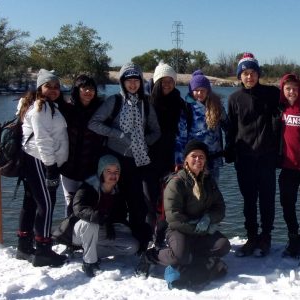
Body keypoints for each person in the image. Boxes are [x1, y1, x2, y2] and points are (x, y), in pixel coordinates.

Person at [88, 63, 160, 256]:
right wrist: (117, 134)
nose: (133, 84)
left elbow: (156, 131)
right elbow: (94, 123)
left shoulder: (145, 105)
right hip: (115, 158)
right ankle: (112, 240)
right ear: (122, 82)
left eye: (136, 80)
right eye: (129, 81)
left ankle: (140, 241)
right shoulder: (114, 101)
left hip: (138, 160)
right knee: (115, 201)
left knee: (138, 202)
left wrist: (145, 141)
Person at [145, 140, 230, 290]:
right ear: (186, 159)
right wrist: (196, 228)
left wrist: (209, 218)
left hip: (201, 228)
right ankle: (153, 255)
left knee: (223, 246)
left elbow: (220, 207)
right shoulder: (177, 182)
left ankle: (193, 257)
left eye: (202, 157)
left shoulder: (208, 181)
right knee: (180, 256)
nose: (198, 160)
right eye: (194, 156)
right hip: (178, 229)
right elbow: (174, 217)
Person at [225, 52, 281, 257]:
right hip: (245, 158)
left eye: (253, 73)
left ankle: (266, 236)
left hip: (267, 158)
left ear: (258, 74)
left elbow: (293, 98)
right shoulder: (234, 99)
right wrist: (230, 151)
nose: (249, 77)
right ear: (240, 76)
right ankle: (251, 236)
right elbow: (230, 129)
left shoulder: (271, 94)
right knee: (249, 201)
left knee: (267, 200)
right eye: (245, 73)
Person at [15, 69, 69, 267]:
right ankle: (44, 249)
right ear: (40, 88)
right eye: (49, 86)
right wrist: (51, 167)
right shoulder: (41, 107)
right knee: (46, 205)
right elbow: (42, 139)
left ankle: (24, 245)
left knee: (31, 202)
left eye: (56, 87)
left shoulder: (45, 106)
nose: (53, 90)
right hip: (39, 160)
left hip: (34, 159)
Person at [53, 155, 139, 277]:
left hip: (101, 230)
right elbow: (78, 208)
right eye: (108, 171)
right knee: (90, 224)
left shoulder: (118, 190)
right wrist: (99, 217)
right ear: (101, 172)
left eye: (116, 172)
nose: (113, 175)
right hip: (79, 231)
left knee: (132, 246)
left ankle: (90, 250)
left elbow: (121, 214)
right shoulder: (88, 186)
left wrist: (112, 224)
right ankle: (89, 262)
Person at [57, 75, 105, 217]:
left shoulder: (101, 110)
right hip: (68, 167)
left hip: (91, 168)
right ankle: (67, 235)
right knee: (70, 202)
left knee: (88, 203)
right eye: (84, 88)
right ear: (77, 90)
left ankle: (85, 236)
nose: (88, 92)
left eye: (91, 89)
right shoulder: (67, 108)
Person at [146, 61, 184, 242]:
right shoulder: (147, 102)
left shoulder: (180, 102)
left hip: (171, 158)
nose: (167, 84)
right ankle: (148, 237)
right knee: (149, 199)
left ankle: (165, 235)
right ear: (156, 81)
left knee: (167, 199)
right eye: (163, 80)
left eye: (170, 80)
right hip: (148, 158)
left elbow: (185, 131)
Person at [276, 73, 300, 258]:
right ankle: (293, 236)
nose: (292, 92)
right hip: (287, 166)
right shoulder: (279, 108)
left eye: (295, 88)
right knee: (287, 203)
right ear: (283, 90)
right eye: (288, 88)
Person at [175, 70, 228, 180]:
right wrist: (179, 161)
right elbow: (181, 137)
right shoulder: (186, 109)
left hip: (213, 160)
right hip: (194, 160)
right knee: (194, 193)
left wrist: (230, 147)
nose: (199, 93)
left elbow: (228, 128)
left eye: (202, 90)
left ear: (208, 90)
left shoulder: (217, 107)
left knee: (212, 193)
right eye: (196, 90)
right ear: (191, 91)